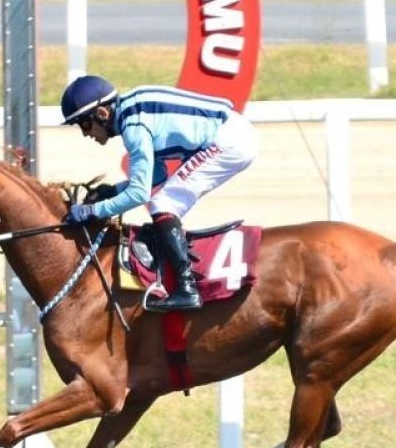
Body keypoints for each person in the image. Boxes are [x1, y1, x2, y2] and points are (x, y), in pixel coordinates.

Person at [60, 74, 258, 312]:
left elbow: (140, 194)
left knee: (164, 203)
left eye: (83, 124)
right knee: (163, 199)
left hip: (229, 142)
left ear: (102, 113)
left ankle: (187, 289)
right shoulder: (132, 112)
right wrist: (111, 191)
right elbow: (156, 177)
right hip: (233, 132)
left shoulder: (133, 127)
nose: (85, 134)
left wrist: (93, 211)